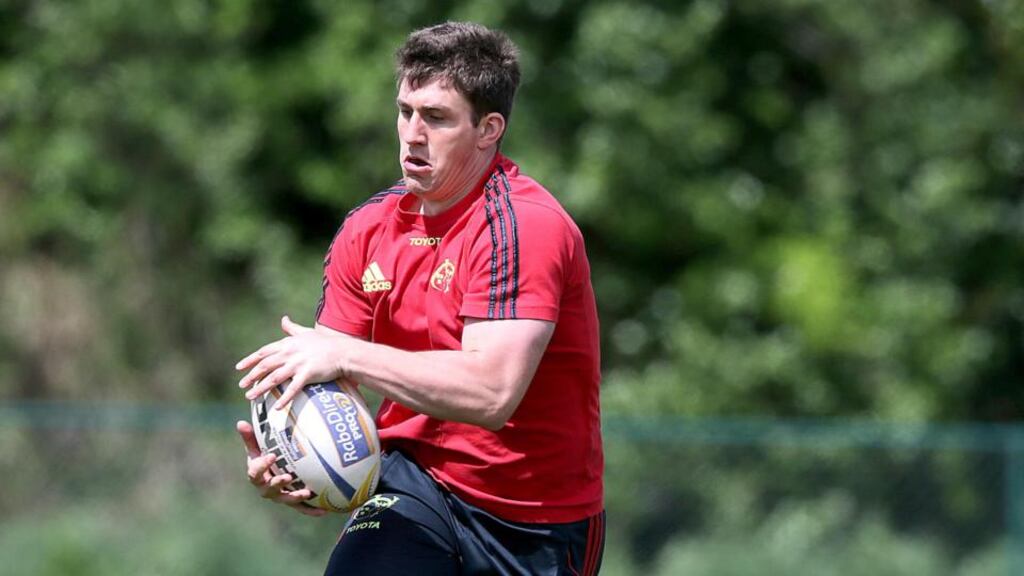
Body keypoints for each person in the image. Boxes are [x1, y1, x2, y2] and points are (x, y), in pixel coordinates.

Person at [235, 21, 604, 576]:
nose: (411, 133)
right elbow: (334, 390)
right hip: (412, 484)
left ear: (489, 129)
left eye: (435, 117)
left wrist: (348, 355)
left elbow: (491, 393)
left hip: (534, 517)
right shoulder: (368, 228)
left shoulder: (524, 227)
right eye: (405, 110)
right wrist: (297, 464)